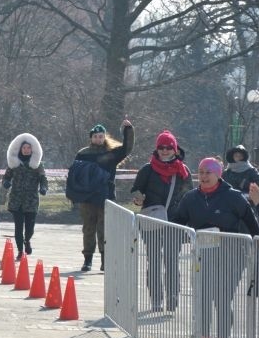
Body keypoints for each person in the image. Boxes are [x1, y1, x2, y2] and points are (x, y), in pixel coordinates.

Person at [171, 157, 259, 338]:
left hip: (232, 257)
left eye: (207, 173)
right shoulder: (191, 198)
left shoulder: (234, 197)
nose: (203, 176)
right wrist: (186, 236)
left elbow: (253, 227)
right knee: (202, 297)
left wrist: (254, 246)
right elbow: (177, 224)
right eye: (201, 172)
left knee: (222, 299)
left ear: (218, 174)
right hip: (204, 256)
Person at [130, 130, 193, 311]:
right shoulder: (147, 169)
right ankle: (156, 299)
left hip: (175, 222)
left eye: (168, 147)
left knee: (172, 261)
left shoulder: (183, 170)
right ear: (156, 149)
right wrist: (137, 198)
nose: (164, 151)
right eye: (161, 147)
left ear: (175, 149)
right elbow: (135, 190)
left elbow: (189, 196)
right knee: (154, 260)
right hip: (152, 221)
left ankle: (172, 298)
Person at [70, 119, 134, 271]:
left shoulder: (111, 154)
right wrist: (75, 195)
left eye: (101, 136)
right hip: (87, 198)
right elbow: (75, 175)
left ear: (104, 137)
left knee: (104, 230)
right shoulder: (83, 154)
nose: (98, 139)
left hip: (106, 197)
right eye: (96, 136)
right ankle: (88, 260)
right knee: (88, 229)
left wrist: (128, 130)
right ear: (91, 138)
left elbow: (127, 148)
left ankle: (105, 261)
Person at [1, 133, 47, 260]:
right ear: (20, 149)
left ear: (32, 149)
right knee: (18, 228)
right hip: (16, 200)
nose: (26, 150)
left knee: (30, 228)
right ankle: (20, 251)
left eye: (28, 148)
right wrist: (6, 182)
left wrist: (43, 188)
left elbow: (43, 178)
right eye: (24, 148)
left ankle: (27, 240)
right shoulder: (14, 163)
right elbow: (6, 176)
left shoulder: (37, 164)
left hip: (31, 200)